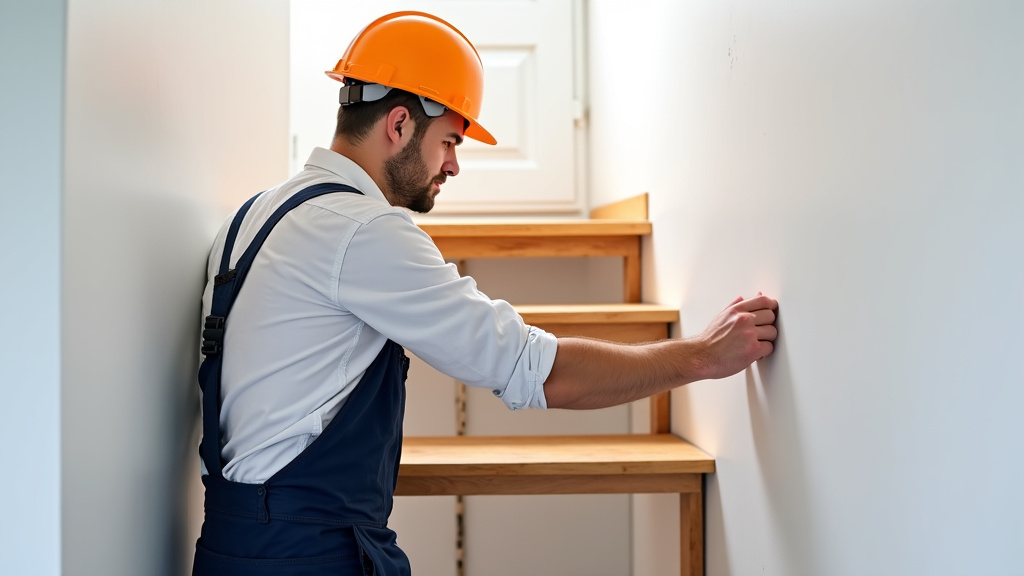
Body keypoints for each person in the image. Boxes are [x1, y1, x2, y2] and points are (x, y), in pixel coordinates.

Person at [191, 10, 778, 576]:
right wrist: (701, 356)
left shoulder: (252, 217)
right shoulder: (365, 232)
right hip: (306, 554)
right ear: (399, 124)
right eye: (450, 140)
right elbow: (538, 371)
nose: (453, 166)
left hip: (230, 541)